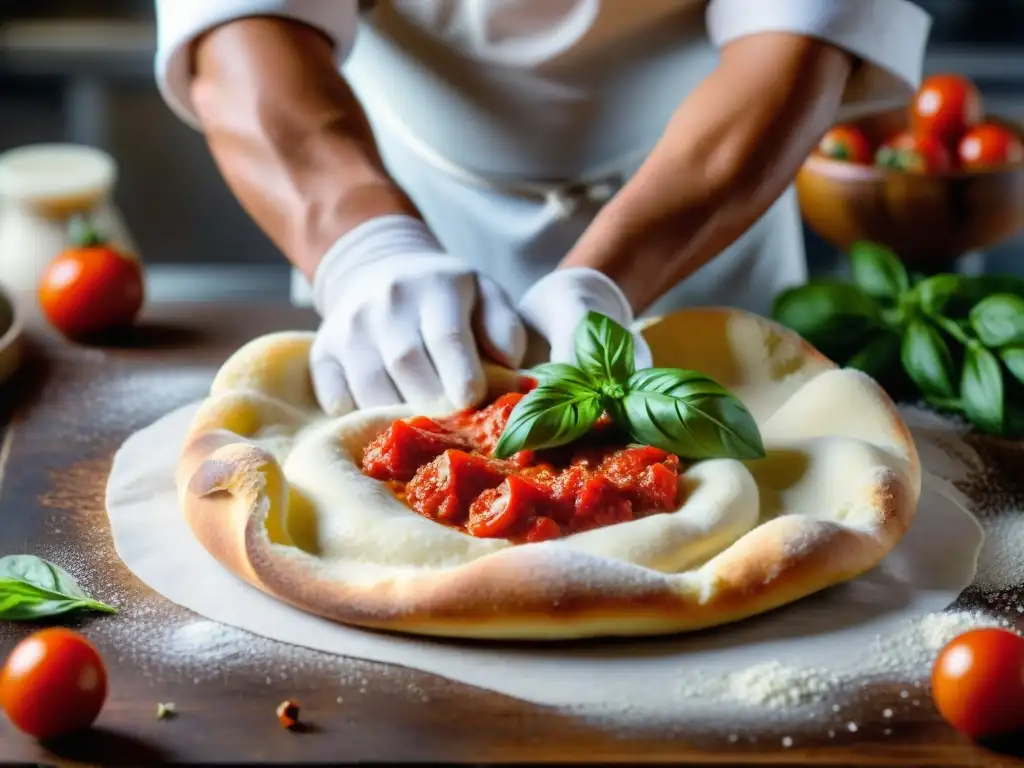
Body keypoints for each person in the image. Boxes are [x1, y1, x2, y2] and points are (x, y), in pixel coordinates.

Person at [154, 0, 930, 415]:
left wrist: (608, 278)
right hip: (387, 241)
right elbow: (241, 28)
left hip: (700, 237)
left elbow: (796, 41)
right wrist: (368, 248)